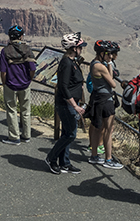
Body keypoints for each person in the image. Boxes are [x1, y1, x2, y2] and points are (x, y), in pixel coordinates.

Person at [44, 32, 87, 175]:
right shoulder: (66, 63)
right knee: (70, 135)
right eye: (80, 47)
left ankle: (64, 162)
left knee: (67, 132)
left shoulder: (72, 61)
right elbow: (63, 86)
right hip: (66, 104)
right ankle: (51, 158)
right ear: (74, 48)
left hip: (69, 103)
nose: (82, 49)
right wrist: (75, 105)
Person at [87, 40, 123, 169]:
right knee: (108, 129)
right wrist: (109, 64)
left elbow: (109, 76)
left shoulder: (94, 63)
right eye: (109, 54)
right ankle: (108, 159)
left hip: (97, 98)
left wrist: (108, 64)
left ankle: (95, 156)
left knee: (98, 127)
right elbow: (112, 83)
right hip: (105, 100)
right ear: (103, 53)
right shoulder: (100, 66)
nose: (111, 57)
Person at [0, 25, 37, 145]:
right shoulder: (28, 49)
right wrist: (28, 80)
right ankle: (26, 135)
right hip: (25, 84)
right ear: (21, 36)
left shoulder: (5, 51)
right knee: (26, 110)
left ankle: (14, 137)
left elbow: (3, 71)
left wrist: (4, 83)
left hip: (10, 84)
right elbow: (32, 68)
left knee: (11, 110)